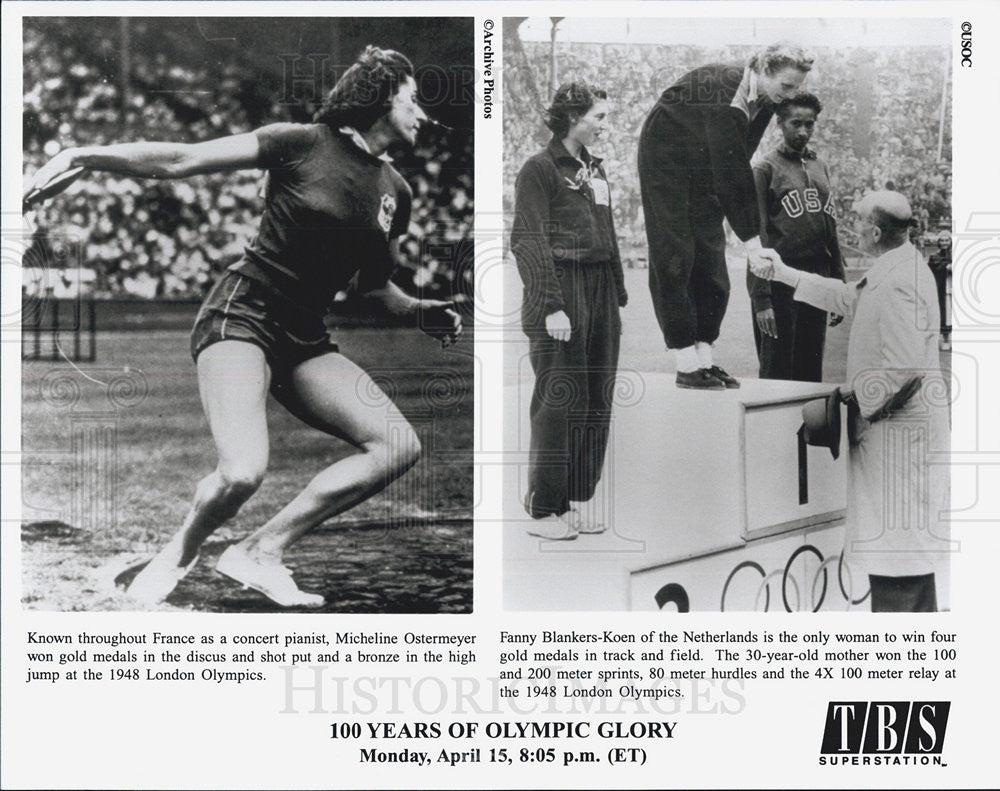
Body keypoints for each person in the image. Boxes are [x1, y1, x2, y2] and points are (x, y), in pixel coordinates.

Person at [23, 46, 462, 607]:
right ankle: (180, 552)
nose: (424, 114)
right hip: (242, 315)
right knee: (242, 473)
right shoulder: (301, 142)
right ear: (381, 98)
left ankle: (260, 552)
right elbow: (181, 160)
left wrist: (421, 310)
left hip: (303, 338)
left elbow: (374, 289)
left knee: (398, 445)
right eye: (414, 99)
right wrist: (86, 155)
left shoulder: (395, 192)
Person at [749, 191, 950, 612]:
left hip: (899, 442)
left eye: (857, 220)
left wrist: (851, 393)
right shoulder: (896, 267)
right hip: (899, 437)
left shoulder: (899, 281)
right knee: (903, 548)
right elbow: (846, 296)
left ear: (875, 232)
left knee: (896, 551)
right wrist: (784, 273)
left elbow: (901, 370)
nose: (850, 227)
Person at [637, 42, 813, 389]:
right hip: (666, 161)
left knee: (712, 260)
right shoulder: (726, 89)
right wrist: (751, 242)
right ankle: (687, 363)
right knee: (675, 255)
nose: (791, 94)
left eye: (797, 88)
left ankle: (704, 358)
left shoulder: (765, 99)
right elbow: (731, 168)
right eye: (787, 86)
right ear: (763, 70)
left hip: (702, 164)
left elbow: (737, 159)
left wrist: (739, 226)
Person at [510, 82, 627, 540]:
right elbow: (528, 240)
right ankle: (543, 509)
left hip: (599, 292)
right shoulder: (538, 169)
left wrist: (616, 294)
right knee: (560, 401)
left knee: (596, 399)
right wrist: (552, 306)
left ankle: (569, 501)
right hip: (562, 289)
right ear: (573, 116)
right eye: (598, 116)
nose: (604, 124)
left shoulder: (595, 169)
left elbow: (609, 233)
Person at [747, 91, 846, 382]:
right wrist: (762, 300)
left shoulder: (820, 166)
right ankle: (773, 430)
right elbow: (758, 236)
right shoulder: (764, 168)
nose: (803, 130)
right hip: (779, 280)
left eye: (810, 124)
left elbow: (831, 230)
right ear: (780, 123)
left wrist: (837, 284)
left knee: (810, 369)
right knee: (777, 370)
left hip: (817, 275)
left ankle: (807, 430)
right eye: (795, 123)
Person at [926, 231, 952, 351]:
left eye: (947, 240)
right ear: (938, 242)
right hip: (942, 289)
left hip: (952, 287)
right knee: (943, 313)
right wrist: (945, 268)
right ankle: (945, 339)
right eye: (942, 240)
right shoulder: (934, 257)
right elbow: (929, 273)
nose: (944, 243)